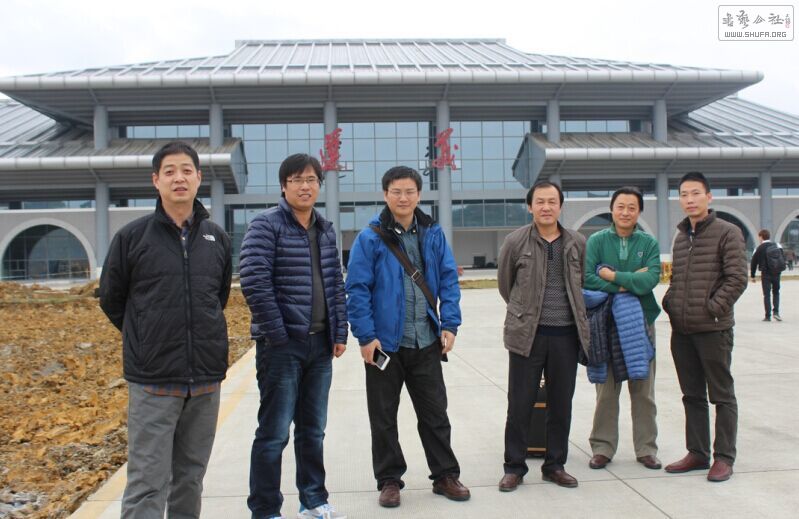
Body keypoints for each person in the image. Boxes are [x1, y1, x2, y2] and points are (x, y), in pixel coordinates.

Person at [99, 141, 233, 518]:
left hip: (204, 381)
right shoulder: (132, 238)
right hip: (154, 381)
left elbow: (217, 297)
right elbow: (112, 298)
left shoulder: (216, 238)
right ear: (156, 180)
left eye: (187, 170)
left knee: (190, 479)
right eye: (170, 171)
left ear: (199, 178)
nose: (179, 178)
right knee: (147, 481)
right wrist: (146, 337)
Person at [345, 166, 470, 508]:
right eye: (396, 191)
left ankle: (445, 475)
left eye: (410, 191)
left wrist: (450, 324)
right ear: (385, 194)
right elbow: (357, 289)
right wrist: (366, 337)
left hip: (425, 339)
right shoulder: (370, 238)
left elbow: (448, 279)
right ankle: (389, 480)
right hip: (384, 345)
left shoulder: (433, 233)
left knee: (435, 414)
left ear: (419, 194)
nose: (403, 197)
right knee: (383, 417)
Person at [240, 153, 348, 519]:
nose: (305, 186)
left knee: (313, 430)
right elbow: (254, 281)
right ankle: (265, 508)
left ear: (319, 185)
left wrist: (340, 331)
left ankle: (313, 499)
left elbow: (335, 284)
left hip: (320, 345)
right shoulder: (266, 225)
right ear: (284, 186)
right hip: (281, 347)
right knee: (274, 433)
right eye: (297, 180)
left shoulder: (325, 229)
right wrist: (278, 334)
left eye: (311, 179)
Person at [497, 180, 590, 490]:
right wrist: (526, 313)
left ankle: (555, 465)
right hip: (527, 335)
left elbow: (581, 284)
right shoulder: (515, 241)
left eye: (552, 201)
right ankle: (514, 467)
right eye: (540, 201)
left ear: (560, 206)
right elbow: (506, 285)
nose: (546, 207)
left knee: (561, 404)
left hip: (566, 336)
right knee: (519, 403)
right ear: (530, 206)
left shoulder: (577, 242)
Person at [662, 171, 747, 482]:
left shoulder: (728, 232)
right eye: (684, 194)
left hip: (713, 329)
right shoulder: (681, 236)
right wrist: (671, 302)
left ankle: (724, 457)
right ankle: (697, 453)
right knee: (692, 395)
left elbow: (737, 278)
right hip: (682, 331)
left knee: (722, 395)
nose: (690, 200)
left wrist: (712, 308)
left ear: (709, 197)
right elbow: (677, 278)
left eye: (695, 193)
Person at [585, 186, 662, 471]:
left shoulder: (648, 243)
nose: (625, 212)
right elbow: (587, 278)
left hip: (641, 323)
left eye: (632, 207)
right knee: (606, 391)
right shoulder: (597, 240)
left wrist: (612, 275)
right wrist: (628, 283)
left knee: (643, 390)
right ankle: (602, 447)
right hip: (604, 324)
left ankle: (646, 448)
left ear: (639, 211)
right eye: (621, 206)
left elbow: (650, 279)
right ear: (612, 209)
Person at [750, 229, 783, 321]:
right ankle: (776, 312)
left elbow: (753, 263)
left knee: (767, 294)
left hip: (765, 274)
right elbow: (782, 258)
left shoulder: (758, 248)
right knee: (776, 292)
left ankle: (768, 316)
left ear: (761, 237)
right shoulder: (777, 245)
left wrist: (752, 275)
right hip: (776, 273)